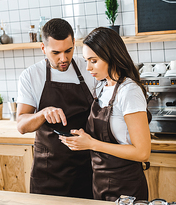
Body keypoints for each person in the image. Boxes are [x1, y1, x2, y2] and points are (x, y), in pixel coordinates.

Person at [59, 27, 151, 202]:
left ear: (111, 57)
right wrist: (83, 139)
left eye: (93, 61)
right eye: (87, 60)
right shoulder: (102, 87)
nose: (88, 68)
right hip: (99, 183)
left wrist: (92, 144)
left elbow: (142, 152)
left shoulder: (129, 91)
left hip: (126, 187)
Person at [17, 18, 96, 198]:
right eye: (56, 53)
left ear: (74, 43)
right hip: (48, 174)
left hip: (86, 169)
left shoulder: (89, 69)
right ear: (43, 48)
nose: (63, 58)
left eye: (68, 50)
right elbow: (22, 125)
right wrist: (43, 113)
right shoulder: (31, 76)